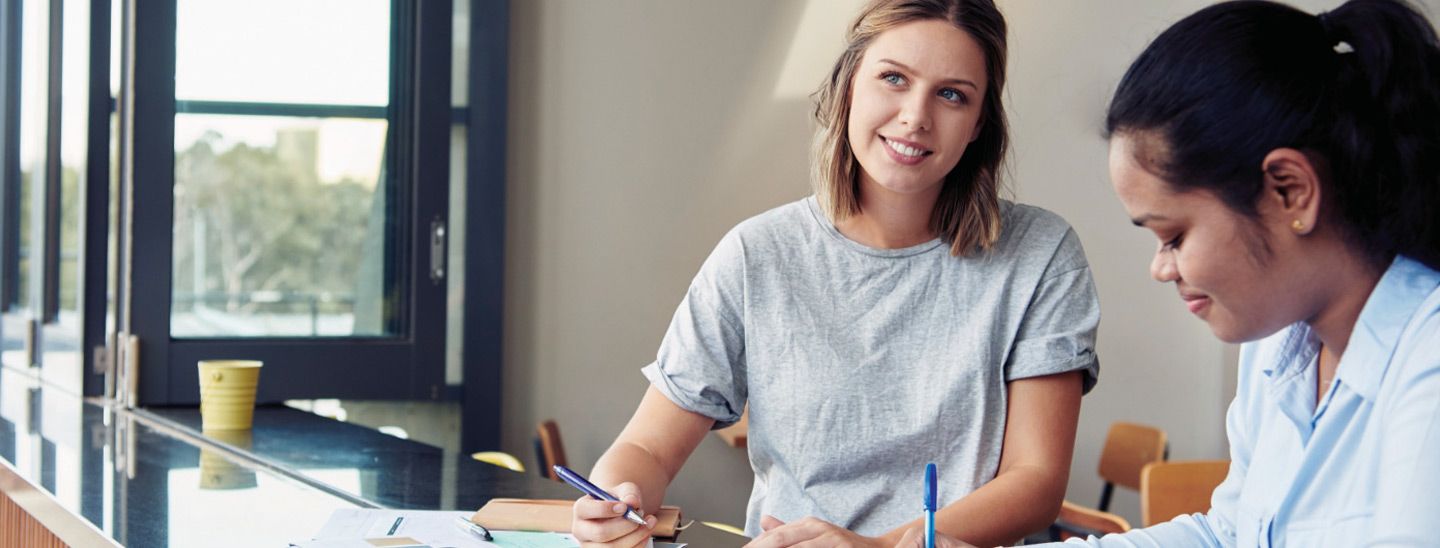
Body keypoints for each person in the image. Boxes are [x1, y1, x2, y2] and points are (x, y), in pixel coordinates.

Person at [569, 1, 1101, 547]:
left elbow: (1035, 482)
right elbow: (648, 449)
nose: (916, 116)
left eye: (952, 94)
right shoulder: (757, 254)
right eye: (894, 78)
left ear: (979, 122)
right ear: (849, 85)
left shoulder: (1041, 253)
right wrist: (616, 498)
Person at [913, 0, 1440, 546]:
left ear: (1289, 189)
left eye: (1174, 236)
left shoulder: (1427, 366)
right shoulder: (1281, 348)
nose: (1160, 268)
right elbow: (1228, 534)